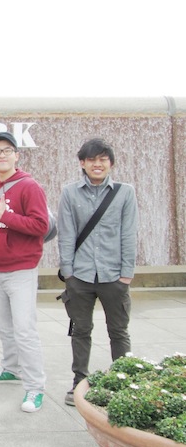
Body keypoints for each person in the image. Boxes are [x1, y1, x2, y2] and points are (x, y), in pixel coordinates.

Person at [58, 138, 138, 406]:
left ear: (111, 163)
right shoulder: (70, 193)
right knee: (80, 331)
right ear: (82, 163)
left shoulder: (125, 192)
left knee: (118, 331)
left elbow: (129, 235)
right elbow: (66, 235)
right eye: (92, 159)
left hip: (114, 275)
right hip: (79, 276)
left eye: (103, 159)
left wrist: (126, 274)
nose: (97, 164)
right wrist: (68, 273)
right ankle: (79, 382)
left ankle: (124, 383)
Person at [0, 132, 48, 413]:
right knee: (4, 327)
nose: (2, 155)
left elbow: (40, 226)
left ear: (17, 155)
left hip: (21, 270)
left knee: (24, 330)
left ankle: (35, 387)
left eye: (7, 150)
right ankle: (11, 368)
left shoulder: (29, 186)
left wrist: (4, 216)